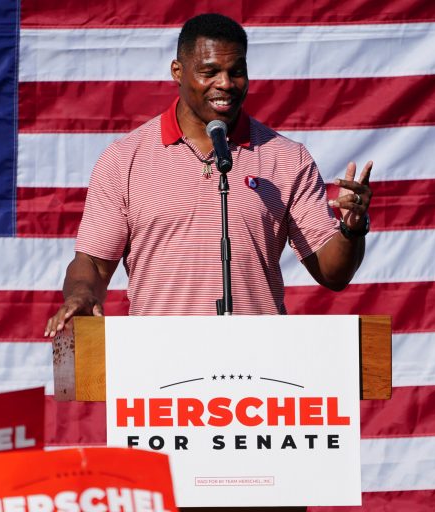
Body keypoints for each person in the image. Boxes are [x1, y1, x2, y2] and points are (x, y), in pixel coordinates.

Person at [45, 13, 372, 335]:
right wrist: (81, 293)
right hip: (158, 366)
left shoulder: (287, 158)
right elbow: (93, 264)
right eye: (210, 71)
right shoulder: (124, 159)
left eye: (236, 71)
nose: (225, 84)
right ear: (178, 71)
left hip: (261, 366)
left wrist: (351, 230)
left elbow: (333, 274)